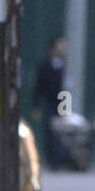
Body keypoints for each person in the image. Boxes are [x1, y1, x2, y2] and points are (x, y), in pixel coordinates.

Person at [31, 36, 67, 169]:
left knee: (62, 131)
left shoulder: (66, 65)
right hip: (49, 102)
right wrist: (36, 105)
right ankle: (51, 160)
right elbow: (38, 87)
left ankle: (61, 159)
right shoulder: (44, 65)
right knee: (49, 132)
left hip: (63, 102)